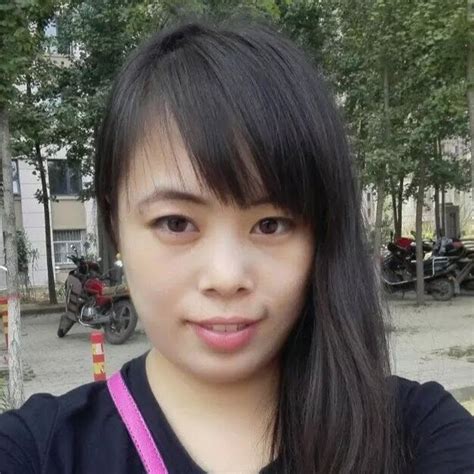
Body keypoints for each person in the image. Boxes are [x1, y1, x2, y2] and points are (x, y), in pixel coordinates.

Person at [1, 20, 473, 474]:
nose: (226, 277)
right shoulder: (38, 453)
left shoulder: (420, 435)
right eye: (176, 222)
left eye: (270, 224)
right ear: (115, 224)